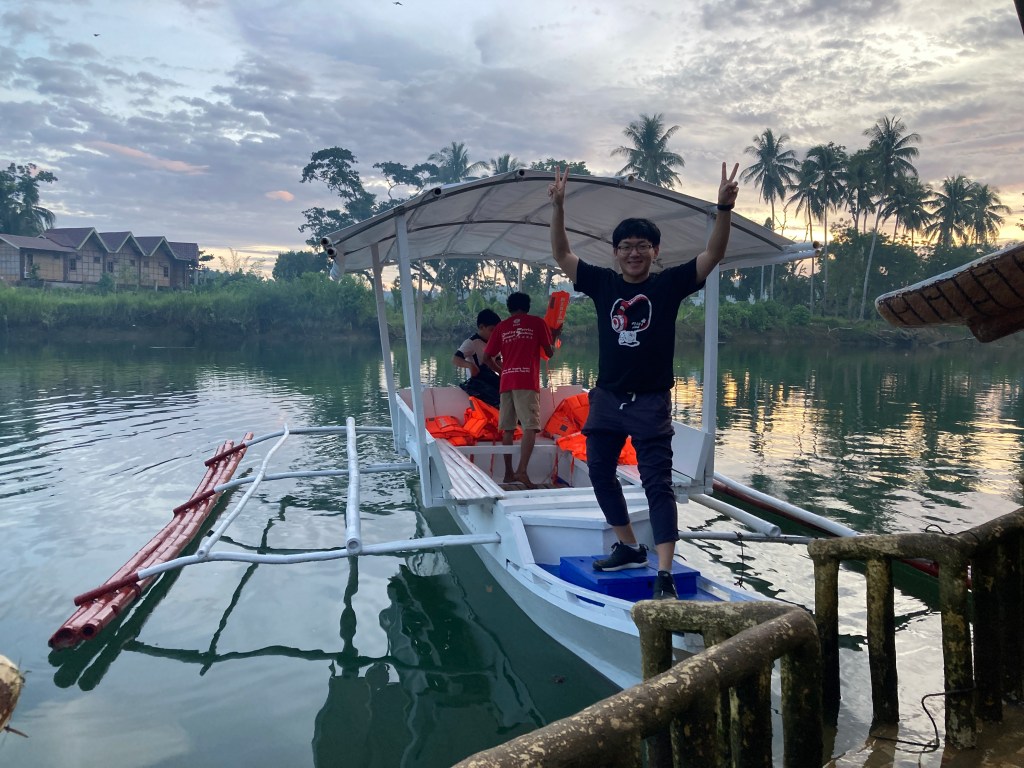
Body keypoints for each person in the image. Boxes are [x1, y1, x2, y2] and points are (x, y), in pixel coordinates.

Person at [548, 162, 740, 600]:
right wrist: (558, 209)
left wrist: (723, 210)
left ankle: (666, 571)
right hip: (607, 397)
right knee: (598, 470)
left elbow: (713, 256)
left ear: (655, 251)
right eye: (626, 246)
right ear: (615, 252)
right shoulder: (600, 282)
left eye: (642, 246)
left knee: (657, 483)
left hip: (650, 401)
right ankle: (630, 546)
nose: (633, 253)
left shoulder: (669, 285)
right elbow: (562, 254)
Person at [482, 292, 555, 487]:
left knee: (508, 428)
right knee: (530, 426)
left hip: (506, 382)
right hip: (526, 381)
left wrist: (503, 370)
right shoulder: (537, 323)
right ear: (528, 306)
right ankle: (522, 471)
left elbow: (485, 358)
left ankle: (508, 473)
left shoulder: (501, 327)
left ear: (509, 308)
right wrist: (554, 334)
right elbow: (549, 353)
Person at [453, 308, 502, 407]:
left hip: (490, 380)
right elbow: (455, 359)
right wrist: (470, 365)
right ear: (481, 327)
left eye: (497, 331)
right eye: (492, 330)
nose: (495, 334)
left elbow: (498, 361)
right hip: (477, 384)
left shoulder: (496, 343)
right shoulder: (471, 343)